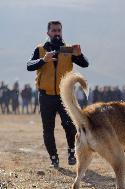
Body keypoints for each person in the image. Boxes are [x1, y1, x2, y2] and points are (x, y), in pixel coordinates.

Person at [27, 21, 89, 167]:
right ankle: (53, 158)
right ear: (48, 33)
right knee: (48, 129)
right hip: (46, 96)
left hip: (64, 96)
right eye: (54, 30)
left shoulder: (67, 49)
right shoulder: (41, 49)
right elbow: (29, 65)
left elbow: (85, 64)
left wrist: (79, 55)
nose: (57, 33)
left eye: (59, 30)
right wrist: (43, 60)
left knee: (70, 126)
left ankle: (72, 153)